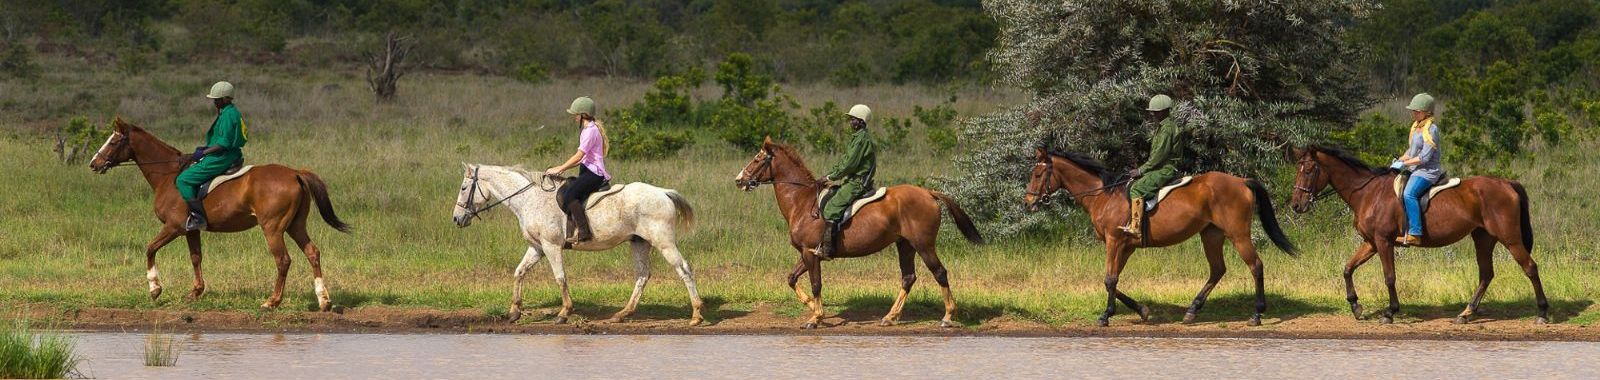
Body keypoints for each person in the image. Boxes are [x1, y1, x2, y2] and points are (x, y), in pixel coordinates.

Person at [175, 81, 247, 232]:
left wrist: (203, 153)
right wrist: (204, 148)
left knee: (183, 179)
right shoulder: (228, 112)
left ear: (227, 99)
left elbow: (224, 144)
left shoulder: (228, 115)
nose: (214, 102)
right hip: (224, 153)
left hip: (223, 156)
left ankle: (198, 217)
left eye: (217, 99)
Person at [814, 104, 877, 260]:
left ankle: (827, 250)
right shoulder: (857, 138)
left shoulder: (862, 139)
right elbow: (844, 161)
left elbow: (850, 164)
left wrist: (830, 178)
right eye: (851, 119)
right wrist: (830, 174)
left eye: (854, 120)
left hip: (857, 183)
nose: (851, 122)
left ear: (862, 122)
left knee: (832, 208)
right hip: (851, 180)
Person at [545, 96, 610, 244]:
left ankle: (584, 232)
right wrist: (559, 168)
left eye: (576, 115)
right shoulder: (589, 129)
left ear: (583, 115)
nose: (574, 117)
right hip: (587, 170)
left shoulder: (589, 132)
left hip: (593, 173)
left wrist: (560, 168)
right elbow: (581, 159)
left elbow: (579, 155)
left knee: (569, 196)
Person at [1121, 94, 1187, 240]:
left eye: (1155, 111)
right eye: (1152, 111)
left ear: (1164, 111)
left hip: (1166, 169)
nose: (1152, 114)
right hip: (1160, 168)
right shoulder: (1162, 127)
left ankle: (1136, 228)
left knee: (1137, 188)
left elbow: (1159, 156)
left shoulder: (1167, 129)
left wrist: (1141, 170)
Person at [1393, 93, 1442, 247]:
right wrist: (1400, 159)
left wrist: (1406, 164)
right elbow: (1412, 151)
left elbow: (1424, 158)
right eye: (1413, 111)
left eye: (1416, 111)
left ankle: (1415, 233)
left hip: (1427, 171)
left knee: (1409, 194)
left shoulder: (1431, 130)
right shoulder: (1416, 127)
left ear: (1426, 112)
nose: (1413, 113)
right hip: (1415, 169)